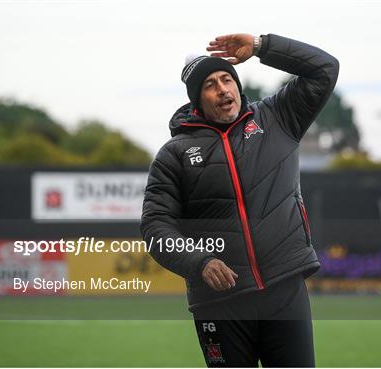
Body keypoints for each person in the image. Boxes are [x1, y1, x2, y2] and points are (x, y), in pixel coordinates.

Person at [141, 33, 339, 367]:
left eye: (227, 79)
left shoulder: (278, 117)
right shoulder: (172, 156)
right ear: (196, 100)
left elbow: (324, 69)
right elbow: (156, 227)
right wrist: (199, 262)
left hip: (284, 291)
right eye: (210, 85)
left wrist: (262, 46)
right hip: (218, 304)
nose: (222, 89)